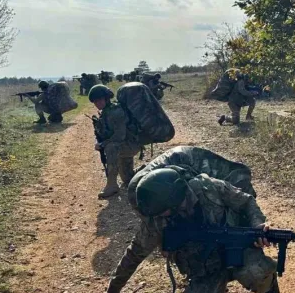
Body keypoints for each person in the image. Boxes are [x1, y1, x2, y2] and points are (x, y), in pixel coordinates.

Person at [106, 166, 278, 293]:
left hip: (240, 252)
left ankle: (270, 288)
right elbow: (134, 254)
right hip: (205, 270)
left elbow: (246, 201)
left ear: (173, 201)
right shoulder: (159, 220)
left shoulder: (209, 188)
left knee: (258, 273)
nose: (158, 216)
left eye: (162, 211)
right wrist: (113, 289)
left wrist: (257, 224)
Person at [88, 84, 141, 198]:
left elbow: (120, 136)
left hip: (131, 145)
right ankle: (145, 170)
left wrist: (102, 144)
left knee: (111, 147)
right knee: (128, 179)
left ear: (106, 98)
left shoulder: (116, 112)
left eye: (99, 100)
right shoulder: (106, 112)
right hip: (124, 145)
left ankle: (112, 185)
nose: (97, 103)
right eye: (95, 101)